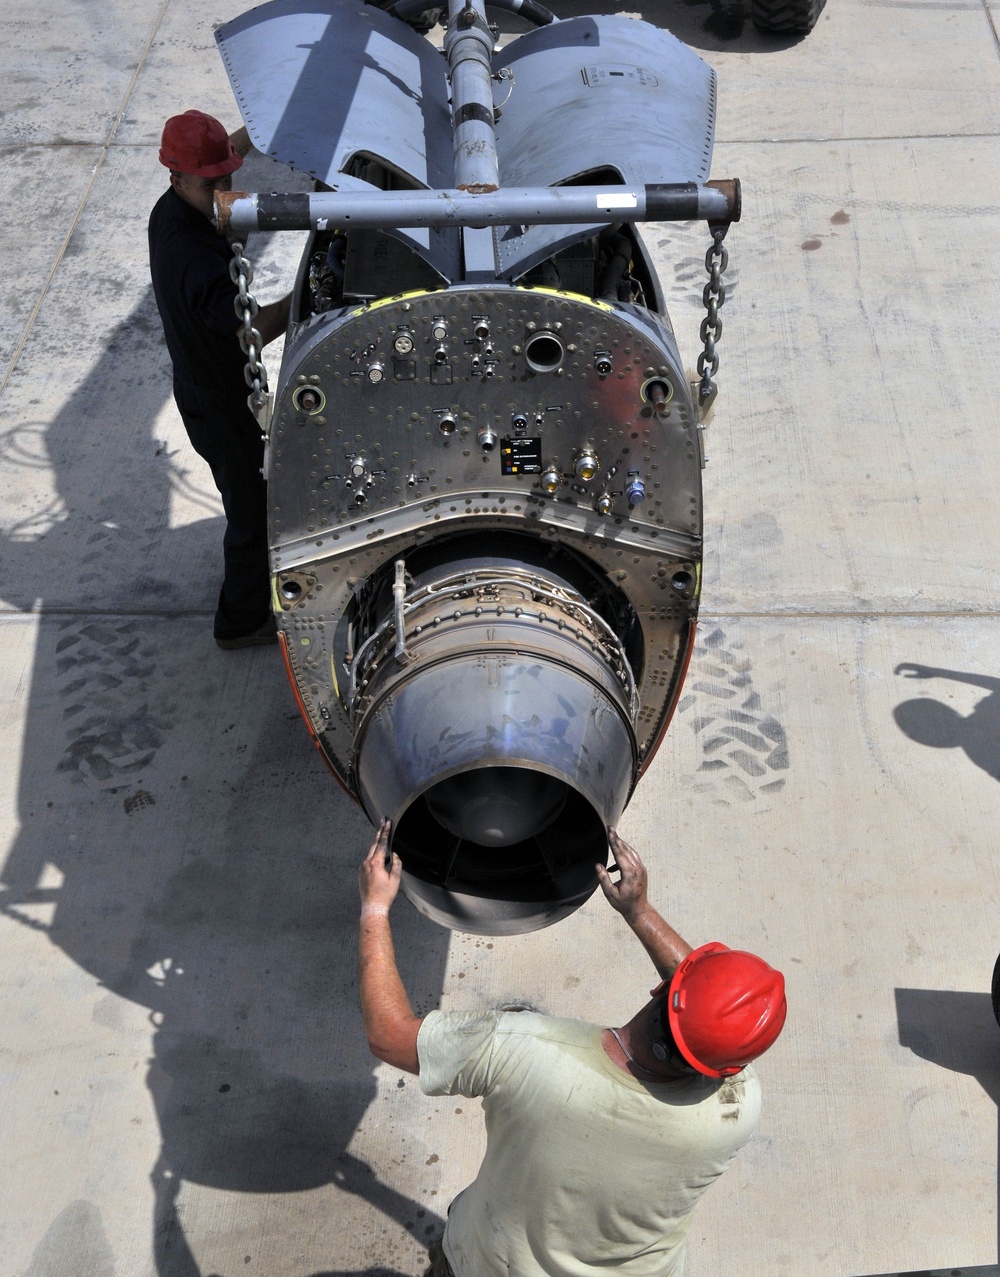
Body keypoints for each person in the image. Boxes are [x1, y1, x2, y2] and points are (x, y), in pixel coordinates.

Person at [357, 821, 787, 1277]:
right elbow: (705, 1017)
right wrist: (640, 913)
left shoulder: (525, 1052)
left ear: (659, 991)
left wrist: (374, 907)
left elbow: (388, 1034)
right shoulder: (736, 1107)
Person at [148, 110, 291, 649]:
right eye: (214, 184)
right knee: (251, 514)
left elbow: (219, 153)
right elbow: (251, 332)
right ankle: (241, 621)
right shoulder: (194, 260)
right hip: (219, 403)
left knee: (254, 499)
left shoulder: (170, 209)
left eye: (228, 178)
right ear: (177, 179)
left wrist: (257, 127)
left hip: (205, 389)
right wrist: (305, 296)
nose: (225, 191)